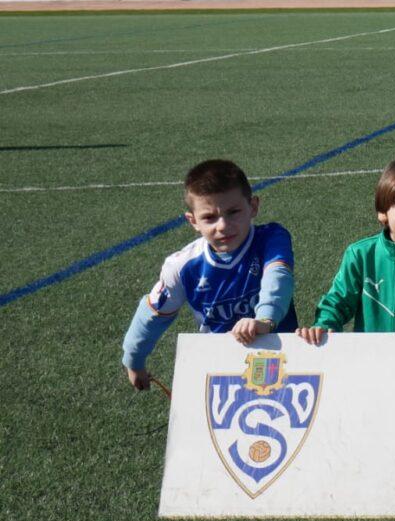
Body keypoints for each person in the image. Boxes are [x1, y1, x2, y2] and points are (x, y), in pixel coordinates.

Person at [121, 160, 296, 389]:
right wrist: (134, 362)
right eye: (209, 217)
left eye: (233, 212)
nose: (222, 225)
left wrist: (264, 320)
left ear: (253, 207)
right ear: (193, 221)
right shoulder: (181, 266)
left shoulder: (272, 238)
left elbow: (278, 278)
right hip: (221, 367)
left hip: (280, 358)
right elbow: (151, 316)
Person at [296, 160, 395, 344]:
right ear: (383, 212)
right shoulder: (361, 255)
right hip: (371, 358)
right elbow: (338, 302)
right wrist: (324, 325)